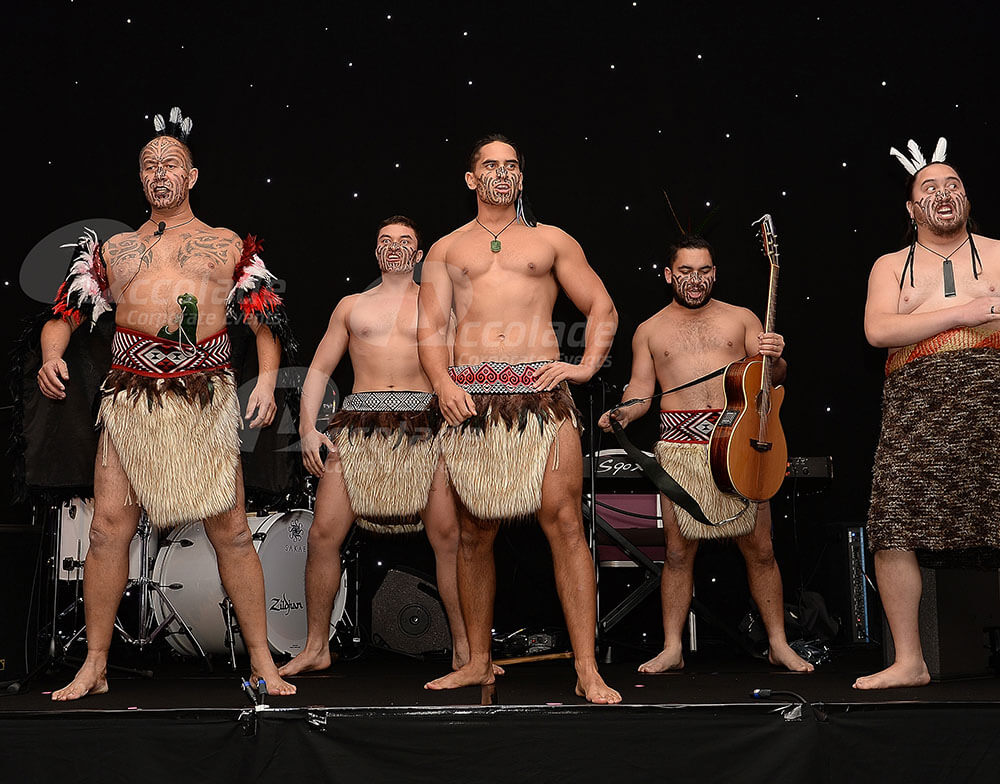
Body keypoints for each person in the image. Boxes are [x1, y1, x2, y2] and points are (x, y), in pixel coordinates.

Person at [36, 108, 296, 699]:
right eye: (149, 165)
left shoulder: (226, 243)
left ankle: (262, 662)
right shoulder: (114, 248)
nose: (160, 173)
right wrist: (54, 355)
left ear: (192, 175)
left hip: (202, 399)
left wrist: (266, 379)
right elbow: (63, 316)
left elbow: (265, 320)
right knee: (106, 531)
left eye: (170, 163)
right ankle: (96, 664)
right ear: (140, 178)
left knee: (230, 530)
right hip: (130, 400)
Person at [418, 134, 621, 703]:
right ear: (471, 179)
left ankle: (586, 668)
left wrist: (582, 368)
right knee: (474, 535)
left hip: (540, 397)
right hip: (473, 401)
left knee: (565, 527)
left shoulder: (551, 241)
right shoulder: (446, 250)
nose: (501, 173)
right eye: (490, 165)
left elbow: (602, 307)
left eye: (511, 166)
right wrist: (440, 385)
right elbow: (430, 327)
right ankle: (480, 661)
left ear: (521, 178)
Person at [280, 215, 492, 676]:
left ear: (418, 256)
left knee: (449, 538)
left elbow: (459, 370)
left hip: (423, 427)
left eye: (405, 241)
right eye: (384, 240)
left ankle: (464, 651)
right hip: (358, 429)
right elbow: (318, 370)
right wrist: (308, 429)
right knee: (322, 535)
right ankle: (317, 646)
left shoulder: (438, 308)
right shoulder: (351, 306)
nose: (394, 247)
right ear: (376, 253)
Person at [598, 234, 814, 675]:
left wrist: (777, 358)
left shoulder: (742, 319)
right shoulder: (649, 329)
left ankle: (778, 643)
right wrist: (622, 413)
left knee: (760, 549)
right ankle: (672, 647)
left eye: (704, 271)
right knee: (678, 554)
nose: (695, 280)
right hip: (680, 451)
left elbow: (774, 377)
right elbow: (642, 392)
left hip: (740, 443)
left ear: (714, 273)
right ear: (668, 275)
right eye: (685, 271)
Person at [857, 138, 999, 690]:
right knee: (893, 525)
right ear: (913, 209)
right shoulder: (891, 266)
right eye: (929, 187)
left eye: (954, 184)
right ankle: (910, 660)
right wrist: (967, 311)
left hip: (991, 404)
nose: (944, 193)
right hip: (917, 408)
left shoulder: (996, 251)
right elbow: (878, 331)